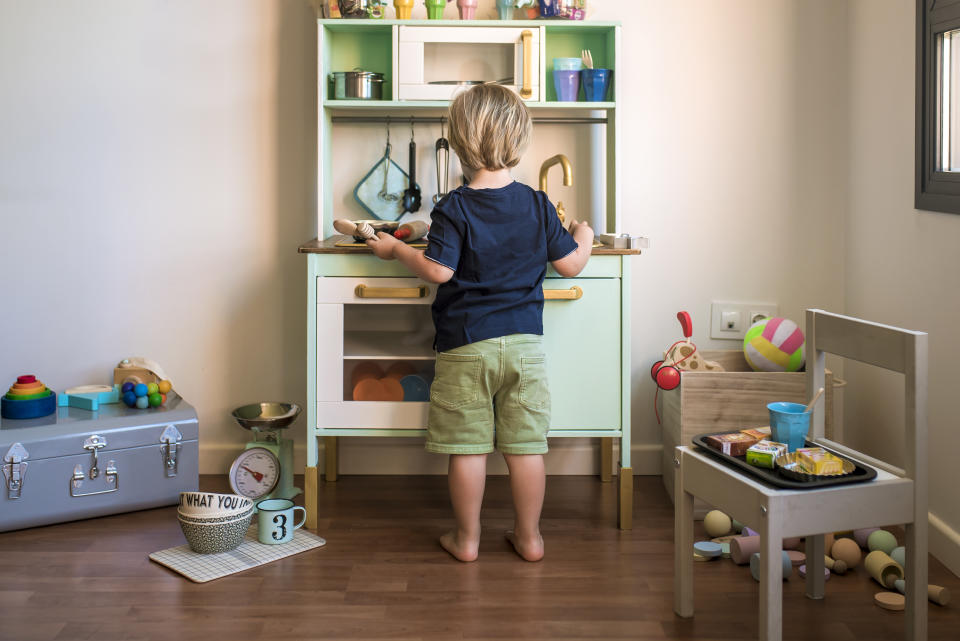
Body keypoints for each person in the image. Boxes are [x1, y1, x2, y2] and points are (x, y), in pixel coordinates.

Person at [365, 84, 594, 562]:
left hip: (467, 346)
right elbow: (572, 266)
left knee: (468, 449)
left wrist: (395, 248)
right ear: (518, 139)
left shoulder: (454, 206)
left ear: (461, 141)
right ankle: (530, 539)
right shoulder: (536, 203)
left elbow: (438, 271)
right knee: (526, 447)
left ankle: (466, 541)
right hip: (525, 349)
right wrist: (585, 235)